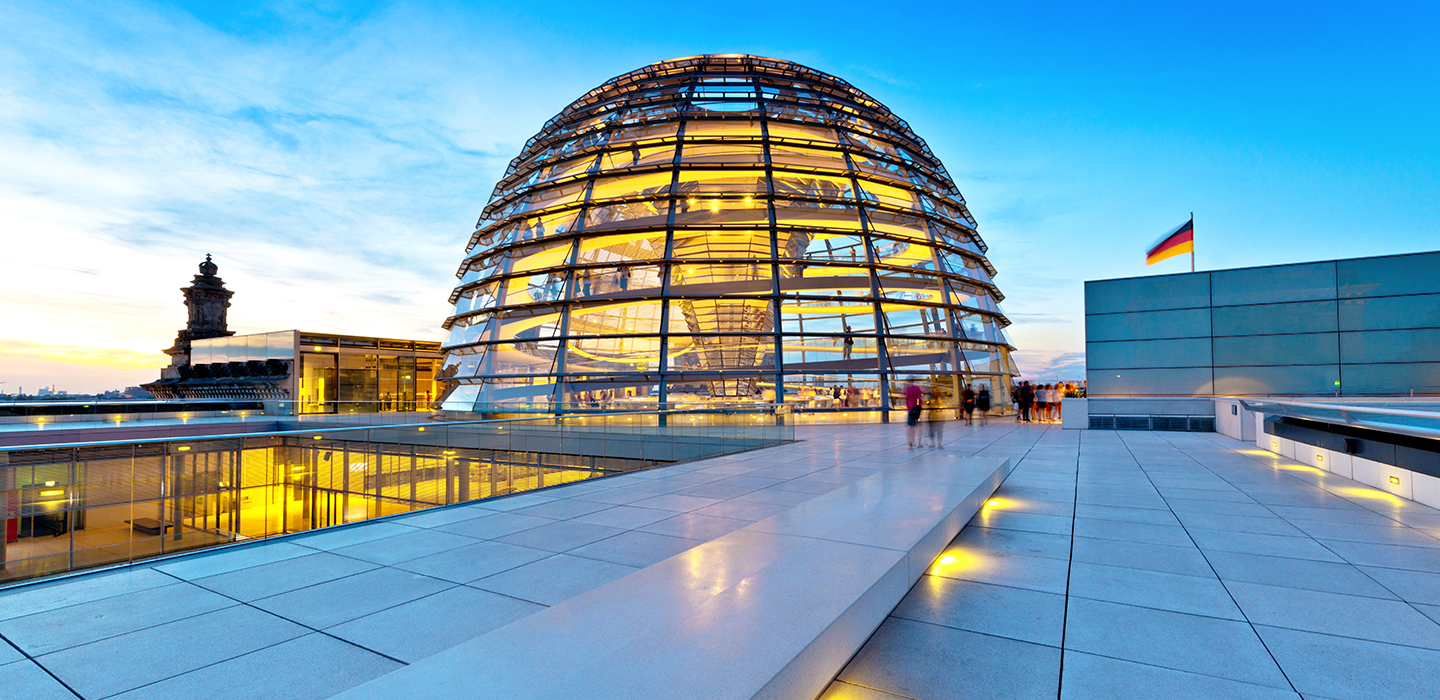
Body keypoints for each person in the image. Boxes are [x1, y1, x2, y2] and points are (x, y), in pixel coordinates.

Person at [904, 379, 924, 447]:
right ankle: (919, 443)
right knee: (918, 425)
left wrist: (908, 407)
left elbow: (907, 398)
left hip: (910, 408)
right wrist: (919, 405)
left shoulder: (908, 389)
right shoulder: (917, 388)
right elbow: (919, 398)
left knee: (910, 426)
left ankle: (911, 441)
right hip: (917, 408)